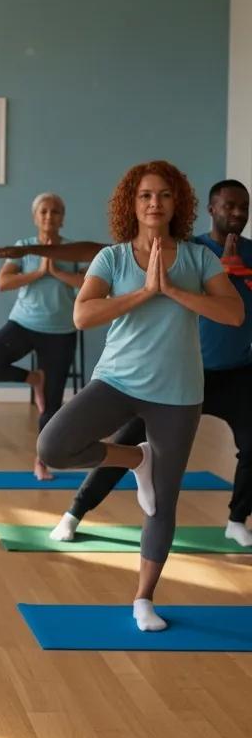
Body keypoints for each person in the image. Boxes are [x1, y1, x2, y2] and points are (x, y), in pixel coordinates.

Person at [36, 162, 242, 633]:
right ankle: (135, 458)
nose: (155, 203)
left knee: (161, 503)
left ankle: (143, 599)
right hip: (118, 381)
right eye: (146, 195)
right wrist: (145, 292)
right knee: (53, 446)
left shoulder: (198, 259)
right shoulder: (112, 258)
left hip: (178, 393)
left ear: (178, 204)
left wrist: (171, 289)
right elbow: (83, 315)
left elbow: (232, 314)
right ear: (132, 203)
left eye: (165, 195)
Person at [0, 193, 84, 480]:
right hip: (23, 324)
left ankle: (41, 461)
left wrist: (55, 270)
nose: (49, 217)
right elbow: (2, 283)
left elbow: (87, 282)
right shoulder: (23, 248)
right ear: (35, 217)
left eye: (55, 212)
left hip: (60, 332)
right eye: (44, 212)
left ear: (62, 218)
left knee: (53, 406)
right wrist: (38, 273)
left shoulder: (71, 250)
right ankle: (33, 379)